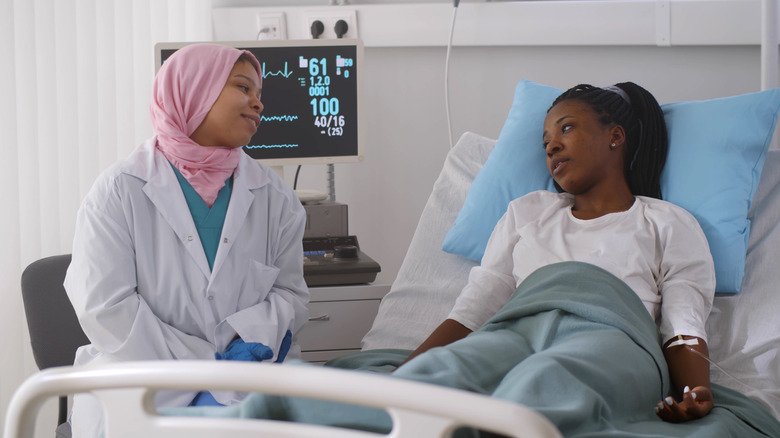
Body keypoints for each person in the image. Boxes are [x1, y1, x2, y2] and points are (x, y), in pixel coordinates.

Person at [402, 82, 716, 424]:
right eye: (546, 140)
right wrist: (408, 370)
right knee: (442, 373)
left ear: (615, 136)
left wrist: (697, 389)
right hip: (516, 335)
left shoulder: (666, 223)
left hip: (612, 341)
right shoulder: (527, 213)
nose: (552, 145)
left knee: (544, 381)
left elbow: (682, 321)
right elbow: (476, 307)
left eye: (566, 128)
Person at [64, 43, 309, 437]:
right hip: (141, 381)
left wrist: (248, 345)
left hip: (244, 383)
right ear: (194, 91)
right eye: (243, 88)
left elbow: (290, 296)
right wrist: (207, 362)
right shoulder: (119, 190)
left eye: (260, 95)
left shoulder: (275, 198)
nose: (257, 104)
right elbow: (104, 307)